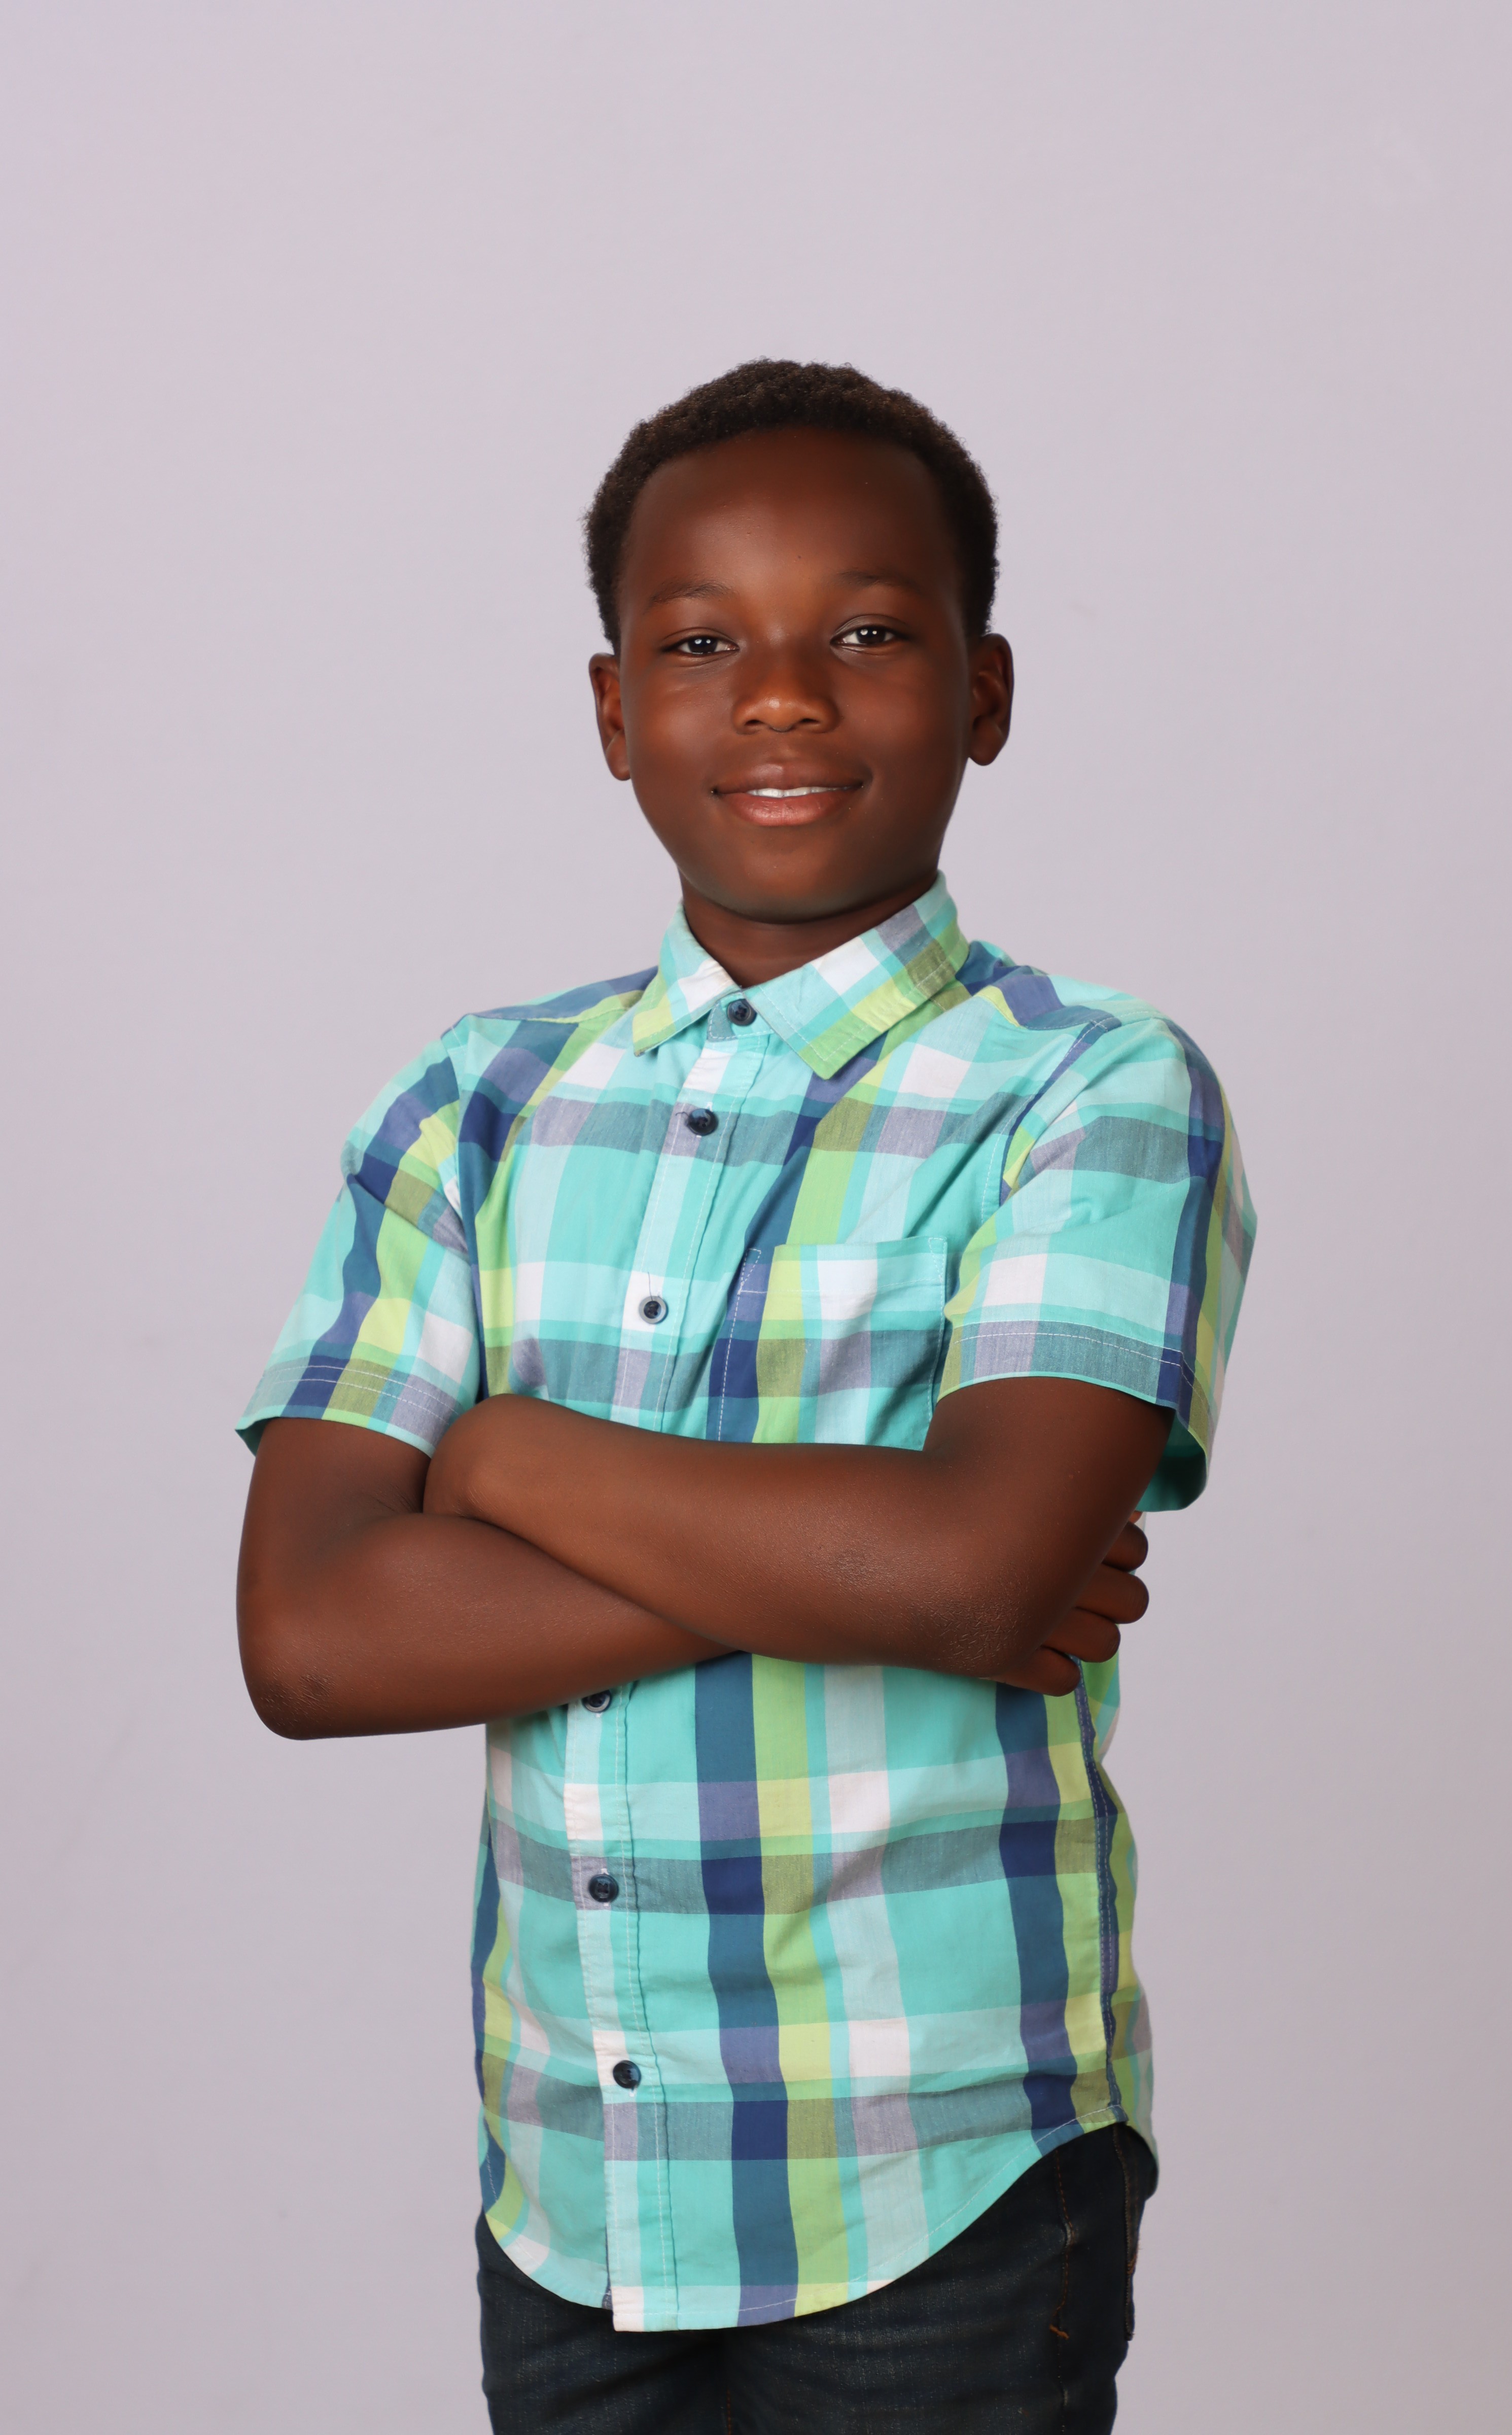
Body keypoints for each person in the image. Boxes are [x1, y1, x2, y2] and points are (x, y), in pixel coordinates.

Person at [236, 359, 1255, 2433]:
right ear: (615, 709)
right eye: (702, 645)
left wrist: (502, 1461)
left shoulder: (1089, 1088)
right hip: (575, 2180)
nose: (781, 697)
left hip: (939, 2175)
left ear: (982, 690)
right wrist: (861, 1561)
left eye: (865, 633)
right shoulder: (473, 1101)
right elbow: (317, 1639)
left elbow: (973, 1578)